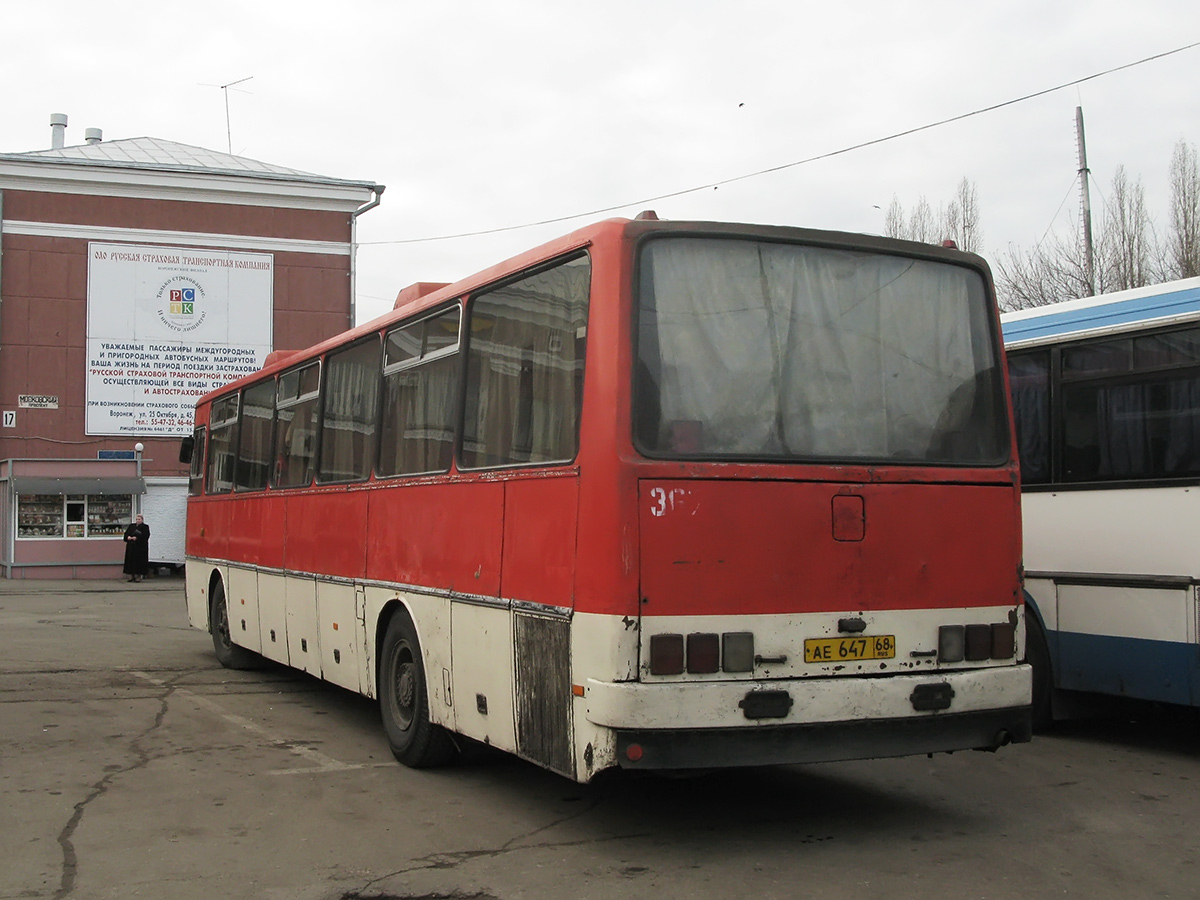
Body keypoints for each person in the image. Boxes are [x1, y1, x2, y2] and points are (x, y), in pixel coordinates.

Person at [123, 515, 150, 582]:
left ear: (142, 520)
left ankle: (139, 576)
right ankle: (131, 576)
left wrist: (137, 538)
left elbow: (145, 536)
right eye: (137, 519)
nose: (137, 521)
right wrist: (128, 537)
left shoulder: (145, 527)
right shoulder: (132, 526)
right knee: (130, 561)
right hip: (131, 547)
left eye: (139, 519)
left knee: (139, 562)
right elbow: (126, 534)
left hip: (140, 548)